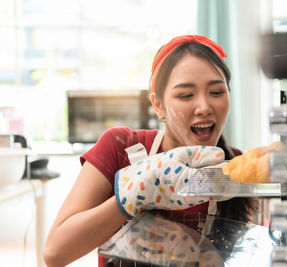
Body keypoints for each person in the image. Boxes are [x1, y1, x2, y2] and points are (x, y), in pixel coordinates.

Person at [43, 35, 259, 267]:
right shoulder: (121, 147)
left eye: (216, 92)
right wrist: (129, 199)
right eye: (186, 95)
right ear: (158, 104)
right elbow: (55, 253)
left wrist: (204, 256)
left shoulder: (236, 168)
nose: (204, 107)